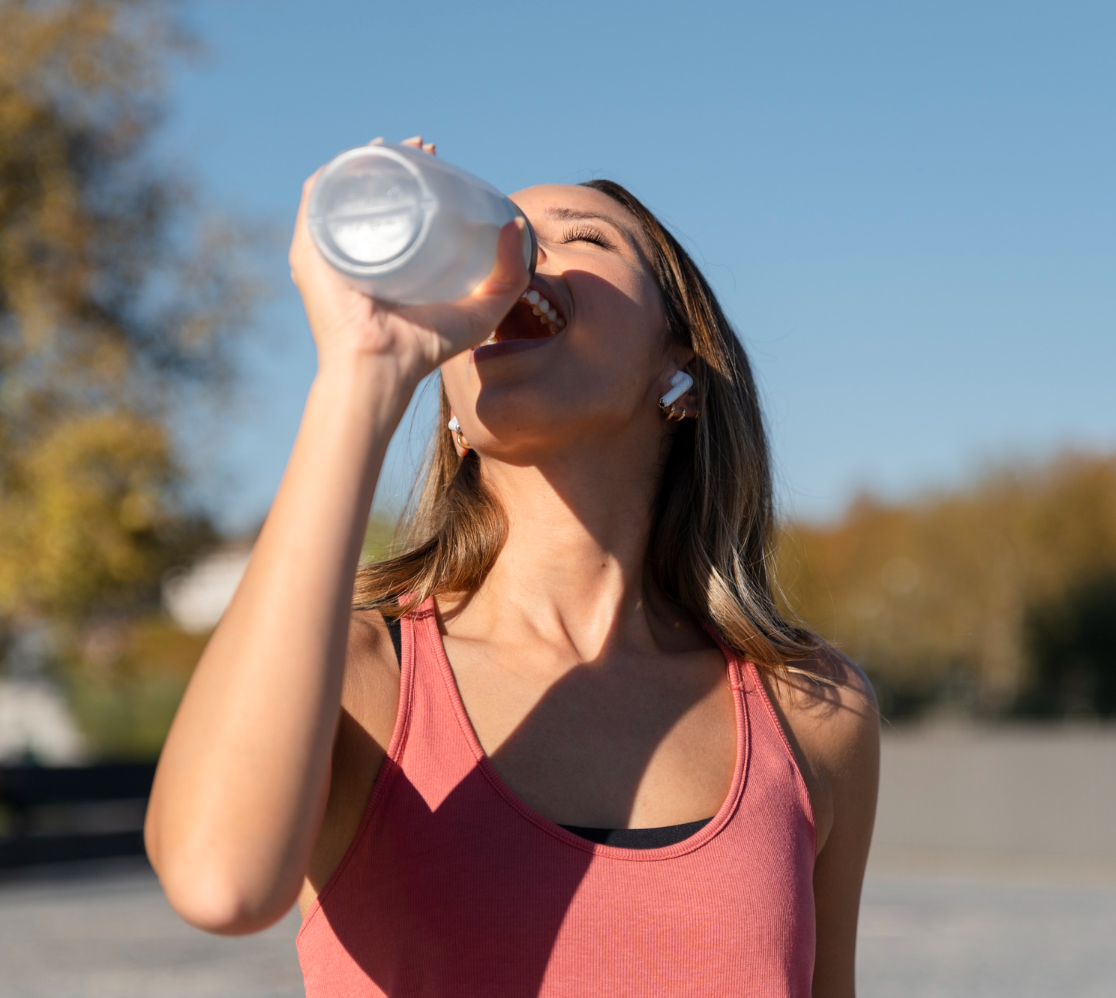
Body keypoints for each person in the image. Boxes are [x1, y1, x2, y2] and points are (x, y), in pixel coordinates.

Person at [145, 137, 880, 997]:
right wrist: (363, 372)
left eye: (581, 237)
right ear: (452, 410)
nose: (518, 256)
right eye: (500, 236)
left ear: (678, 358)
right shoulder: (360, 680)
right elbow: (218, 882)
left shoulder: (811, 708)